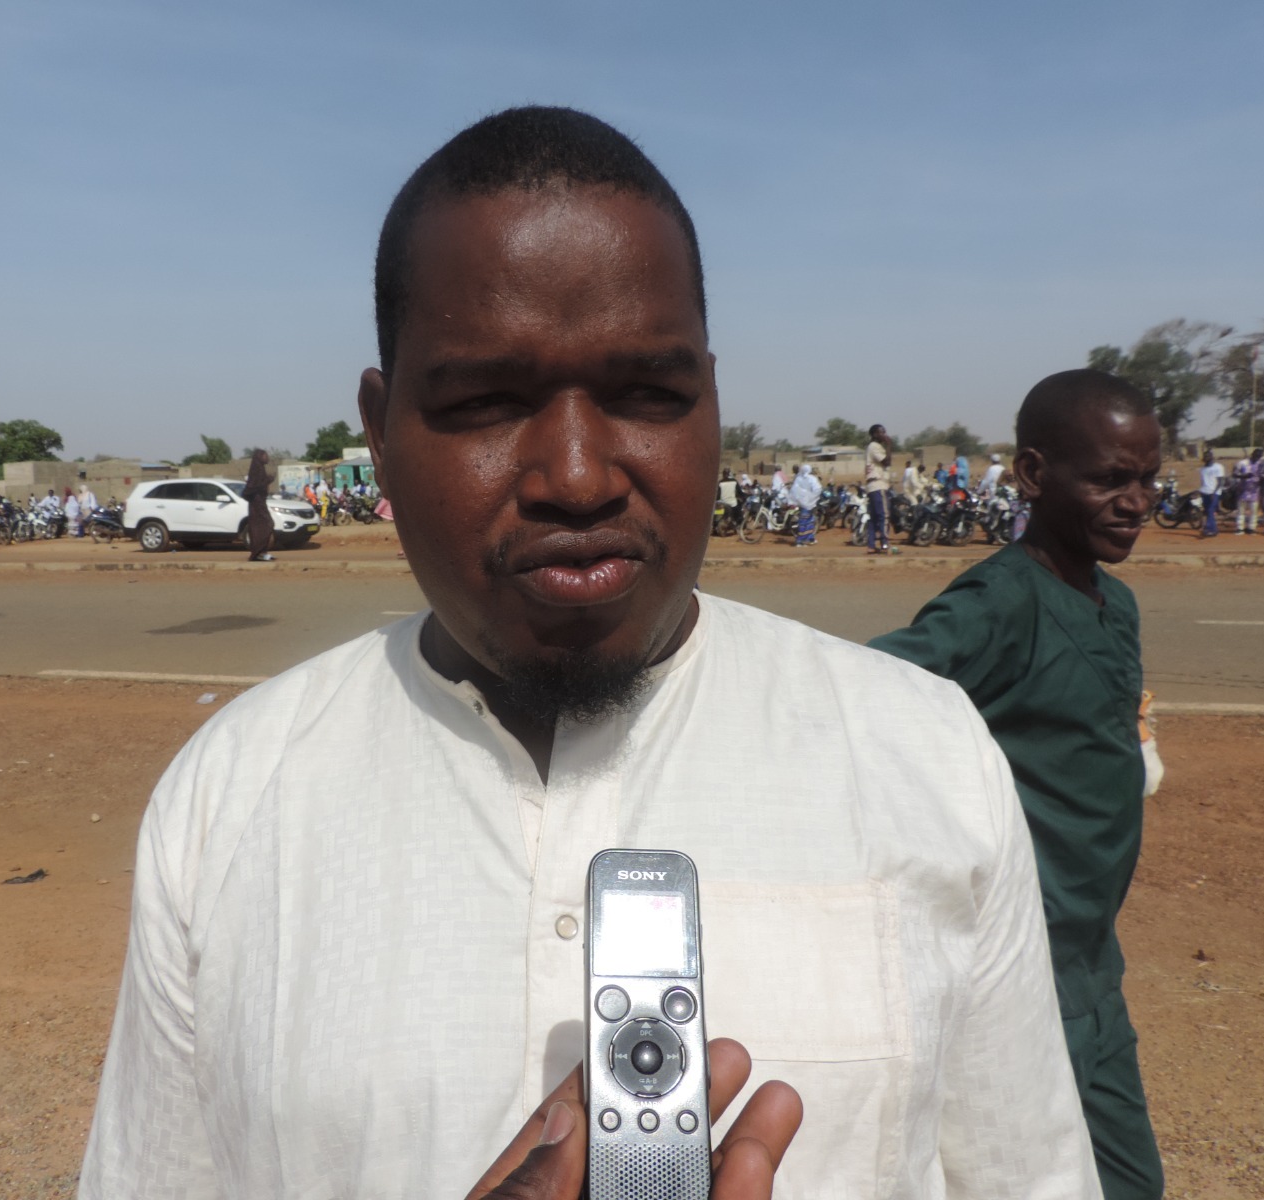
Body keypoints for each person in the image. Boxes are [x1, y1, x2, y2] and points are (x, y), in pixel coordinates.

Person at [79, 106, 1097, 1200]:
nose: (575, 477)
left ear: (712, 404)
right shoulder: (233, 797)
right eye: (485, 402)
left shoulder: (921, 755)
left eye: (647, 396)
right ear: (378, 429)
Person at [870, 368, 1164, 1200]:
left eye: (1147, 480)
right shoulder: (1001, 604)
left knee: (1131, 1179)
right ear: (1034, 475)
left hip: (1093, 962)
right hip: (1030, 974)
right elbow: (870, 693)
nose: (1136, 503)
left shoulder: (1115, 603)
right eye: (1110, 479)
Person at [243, 448, 276, 561]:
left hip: (260, 502)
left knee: (265, 525)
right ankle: (258, 552)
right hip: (256, 504)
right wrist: (268, 480)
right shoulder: (256, 470)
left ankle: (262, 552)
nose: (267, 457)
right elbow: (253, 486)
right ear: (259, 457)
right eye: (265, 455)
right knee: (266, 525)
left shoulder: (260, 469)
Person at [863, 424, 892, 554]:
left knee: (874, 517)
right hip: (878, 484)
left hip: (873, 486)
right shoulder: (874, 446)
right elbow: (886, 462)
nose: (884, 435)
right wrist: (889, 446)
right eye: (881, 432)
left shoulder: (874, 447)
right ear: (874, 434)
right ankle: (885, 544)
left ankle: (871, 545)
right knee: (884, 515)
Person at [786, 462, 821, 545]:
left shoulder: (799, 479)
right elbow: (817, 489)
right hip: (809, 503)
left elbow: (794, 490)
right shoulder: (812, 478)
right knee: (807, 521)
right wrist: (812, 497)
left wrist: (796, 499)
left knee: (807, 520)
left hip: (802, 503)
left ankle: (810, 538)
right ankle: (800, 541)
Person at [1232, 448, 1262, 534]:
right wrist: (1243, 476)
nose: (1256, 458)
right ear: (1252, 454)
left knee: (1253, 511)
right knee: (1241, 510)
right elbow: (1234, 474)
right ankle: (1240, 528)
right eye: (1256, 456)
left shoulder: (1260, 464)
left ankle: (1251, 528)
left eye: (1258, 456)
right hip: (1242, 490)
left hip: (1254, 491)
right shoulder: (1242, 463)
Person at [1197, 448, 1223, 538]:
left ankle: (1207, 529)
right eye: (1205, 456)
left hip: (1214, 493)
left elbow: (1220, 481)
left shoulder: (1218, 467)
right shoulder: (1202, 469)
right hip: (1204, 492)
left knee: (1211, 510)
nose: (1206, 458)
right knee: (1208, 512)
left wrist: (1214, 492)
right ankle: (1214, 529)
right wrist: (1200, 491)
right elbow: (1203, 482)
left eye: (1208, 456)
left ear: (1212, 457)